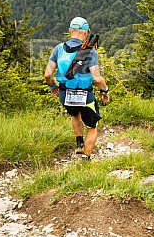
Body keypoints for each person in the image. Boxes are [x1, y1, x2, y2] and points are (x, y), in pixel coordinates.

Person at [44, 17, 110, 160]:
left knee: (75, 114)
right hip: (86, 95)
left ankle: (79, 143)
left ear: (70, 31)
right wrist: (105, 91)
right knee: (93, 125)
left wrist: (53, 86)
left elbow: (48, 74)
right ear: (86, 32)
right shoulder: (90, 51)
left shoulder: (58, 49)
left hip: (64, 94)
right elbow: (97, 78)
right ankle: (86, 158)